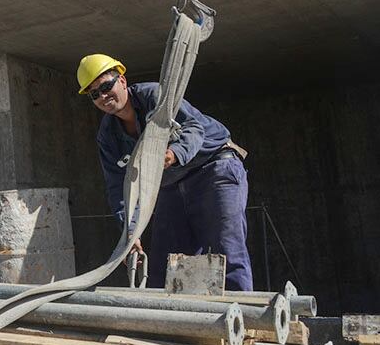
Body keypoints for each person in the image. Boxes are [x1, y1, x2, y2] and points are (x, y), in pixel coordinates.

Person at [77, 54, 253, 291]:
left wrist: (173, 153)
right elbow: (119, 188)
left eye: (106, 86)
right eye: (94, 94)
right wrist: (130, 234)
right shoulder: (108, 136)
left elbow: (194, 127)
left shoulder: (154, 97)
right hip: (170, 185)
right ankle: (173, 323)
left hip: (213, 168)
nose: (103, 96)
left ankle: (244, 320)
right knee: (166, 263)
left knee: (226, 249)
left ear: (122, 81)